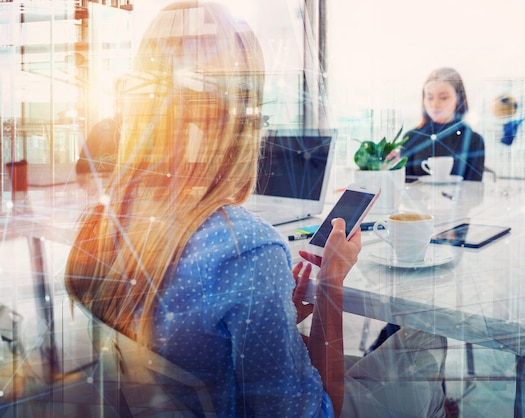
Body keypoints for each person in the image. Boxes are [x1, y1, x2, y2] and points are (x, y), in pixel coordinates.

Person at [64, 2, 446, 417]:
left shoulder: (106, 220)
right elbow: (318, 411)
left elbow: (184, 336)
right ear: (239, 114)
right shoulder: (247, 249)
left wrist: (280, 315)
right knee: (426, 339)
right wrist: (331, 283)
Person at [403, 67, 485, 181]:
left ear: (459, 99)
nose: (435, 104)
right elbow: (404, 186)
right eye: (429, 97)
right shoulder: (411, 137)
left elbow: (474, 191)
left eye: (443, 98)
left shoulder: (473, 140)